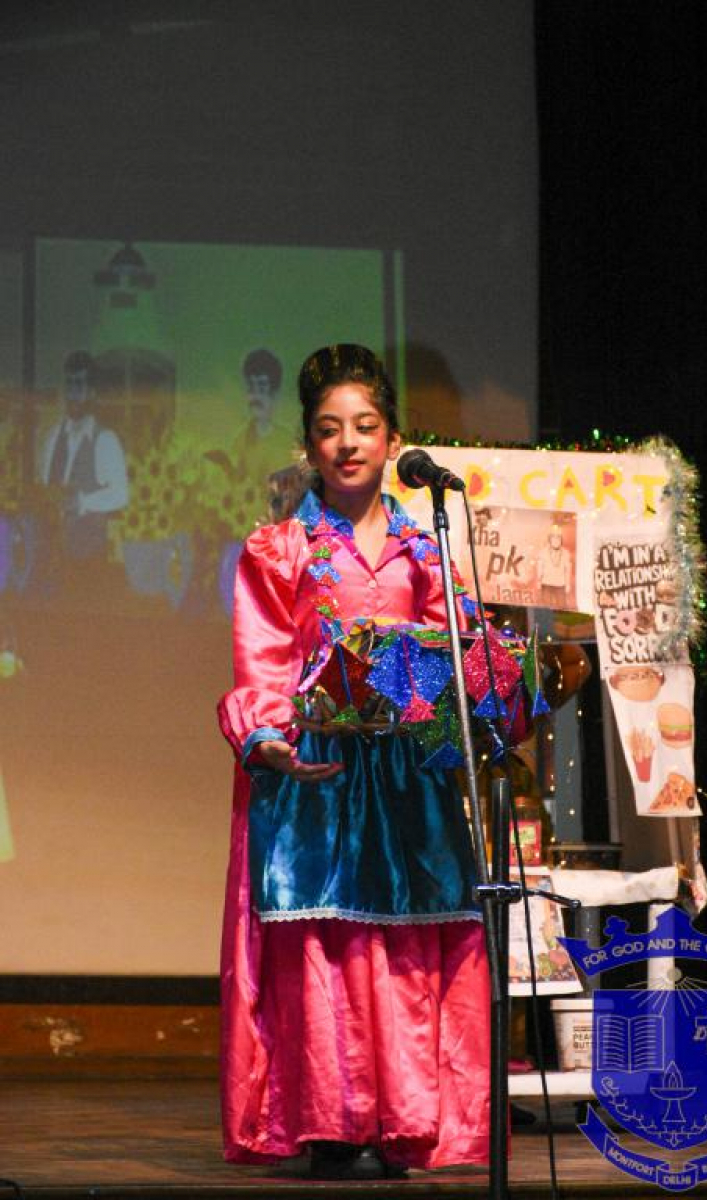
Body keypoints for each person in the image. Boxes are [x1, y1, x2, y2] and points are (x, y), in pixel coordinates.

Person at [217, 344, 490, 1179]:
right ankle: (330, 1123)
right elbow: (262, 659)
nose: (348, 443)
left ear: (393, 439)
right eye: (330, 428)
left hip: (406, 772)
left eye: (365, 426)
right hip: (319, 775)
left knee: (404, 941)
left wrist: (463, 698)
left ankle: (406, 1119)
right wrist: (271, 739)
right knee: (326, 943)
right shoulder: (281, 548)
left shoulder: (428, 548)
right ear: (308, 443)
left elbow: (459, 651)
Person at [38, 350, 128, 565]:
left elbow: (121, 495)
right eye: (69, 384)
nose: (73, 393)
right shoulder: (52, 437)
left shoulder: (105, 440)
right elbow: (45, 485)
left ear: (93, 392)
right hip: (51, 560)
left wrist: (82, 501)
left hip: (89, 560)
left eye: (80, 384)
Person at [229, 347, 296, 481]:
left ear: (275, 393)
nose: (256, 396)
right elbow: (236, 483)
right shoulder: (240, 441)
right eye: (251, 387)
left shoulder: (289, 441)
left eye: (262, 387)